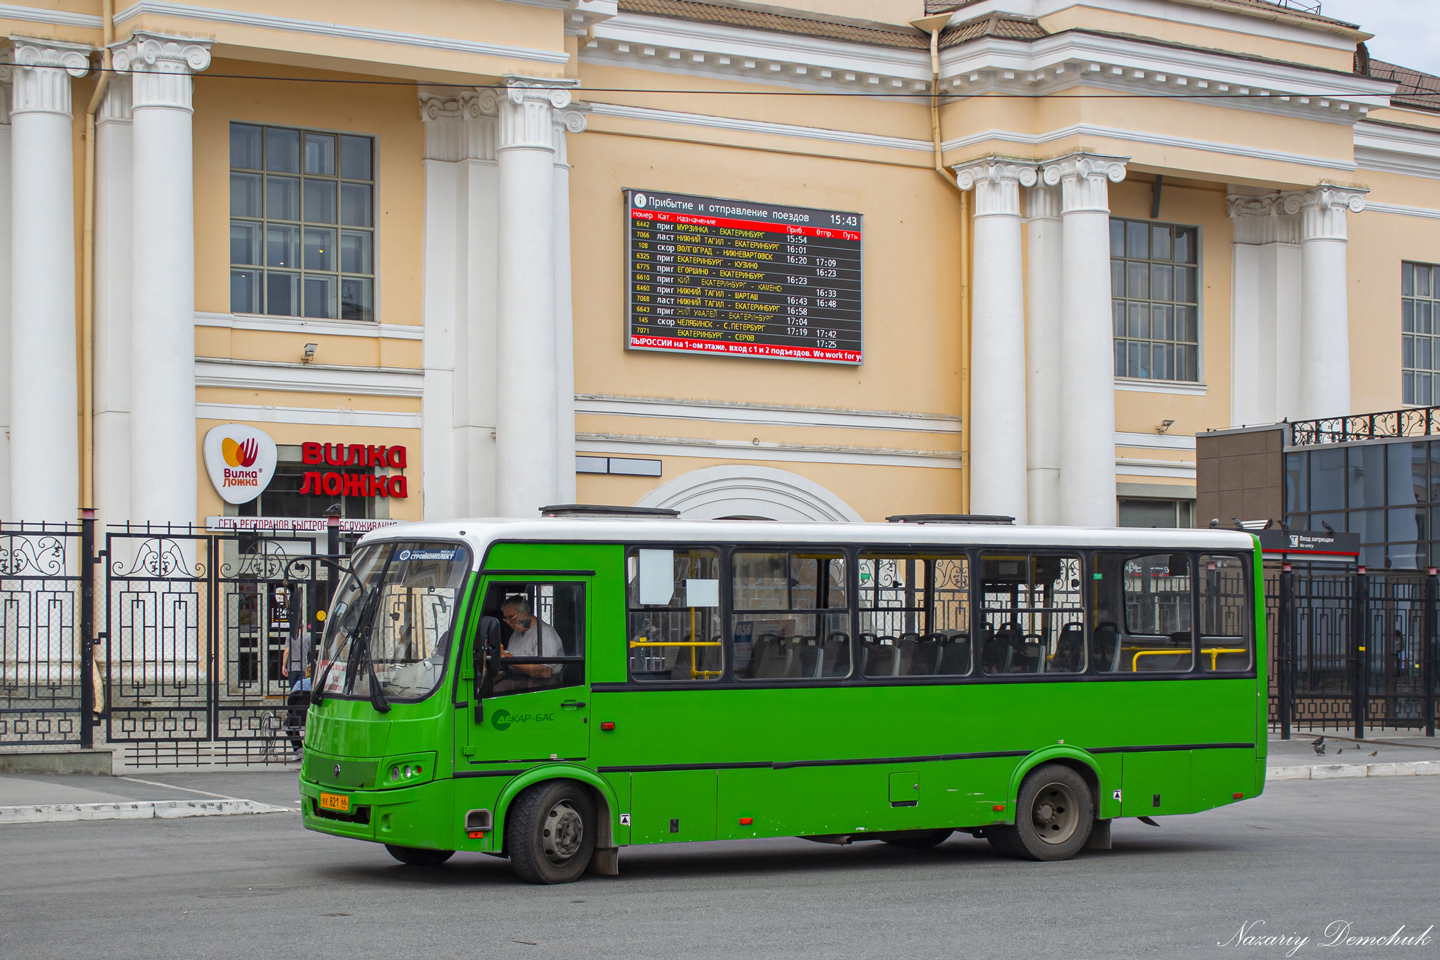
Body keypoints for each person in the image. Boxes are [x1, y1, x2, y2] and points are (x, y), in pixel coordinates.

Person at [495, 596, 564, 692]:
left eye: (511, 617)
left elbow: (545, 671)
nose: (508, 622)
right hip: (519, 678)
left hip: (542, 685)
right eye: (506, 618)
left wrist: (510, 660)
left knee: (499, 689)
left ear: (524, 614)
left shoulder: (545, 634)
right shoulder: (516, 634)